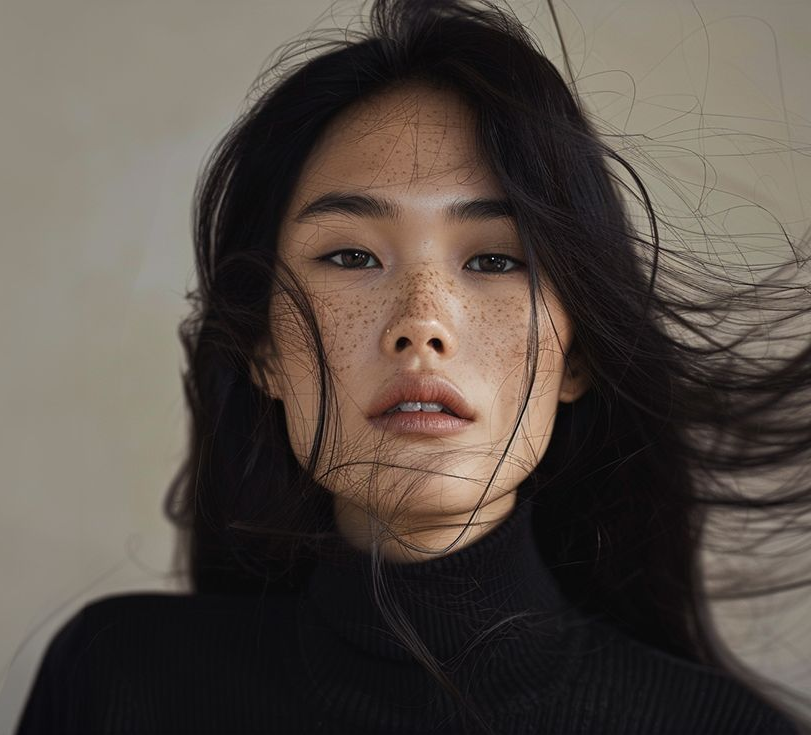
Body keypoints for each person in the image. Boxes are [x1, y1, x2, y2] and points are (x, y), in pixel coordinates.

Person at [14, 0, 811, 733]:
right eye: (352, 254)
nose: (420, 322)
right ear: (262, 347)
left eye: (497, 260)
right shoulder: (119, 680)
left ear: (578, 354)